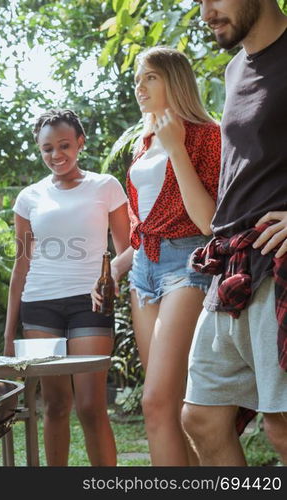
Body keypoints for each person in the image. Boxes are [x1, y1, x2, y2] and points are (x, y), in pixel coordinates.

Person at [93, 47, 221, 465]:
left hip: (188, 267)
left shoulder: (207, 134)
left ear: (174, 80)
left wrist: (177, 148)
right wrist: (118, 263)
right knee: (171, 405)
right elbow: (145, 224)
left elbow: (207, 222)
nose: (139, 87)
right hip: (143, 271)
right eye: (136, 80)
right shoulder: (143, 146)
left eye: (149, 77)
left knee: (156, 403)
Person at [182, 0, 287, 465]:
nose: (205, 12)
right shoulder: (234, 70)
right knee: (201, 417)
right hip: (231, 266)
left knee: (282, 425)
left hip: (279, 264)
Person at [4, 109, 130, 466]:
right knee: (55, 405)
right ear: (39, 150)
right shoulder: (29, 197)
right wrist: (10, 332)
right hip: (39, 304)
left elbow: (131, 247)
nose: (56, 155)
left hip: (89, 302)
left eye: (64, 146)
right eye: (47, 149)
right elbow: (22, 262)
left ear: (80, 143)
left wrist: (114, 274)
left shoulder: (105, 186)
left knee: (91, 406)